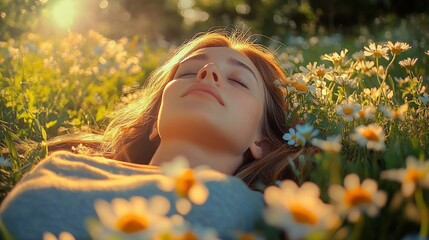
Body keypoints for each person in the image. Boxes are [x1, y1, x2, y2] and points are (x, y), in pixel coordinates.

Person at [0, 29, 303, 239]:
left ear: (262, 142)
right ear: (156, 120)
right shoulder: (62, 168)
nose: (207, 73)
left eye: (238, 80)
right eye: (187, 72)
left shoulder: (279, 214)